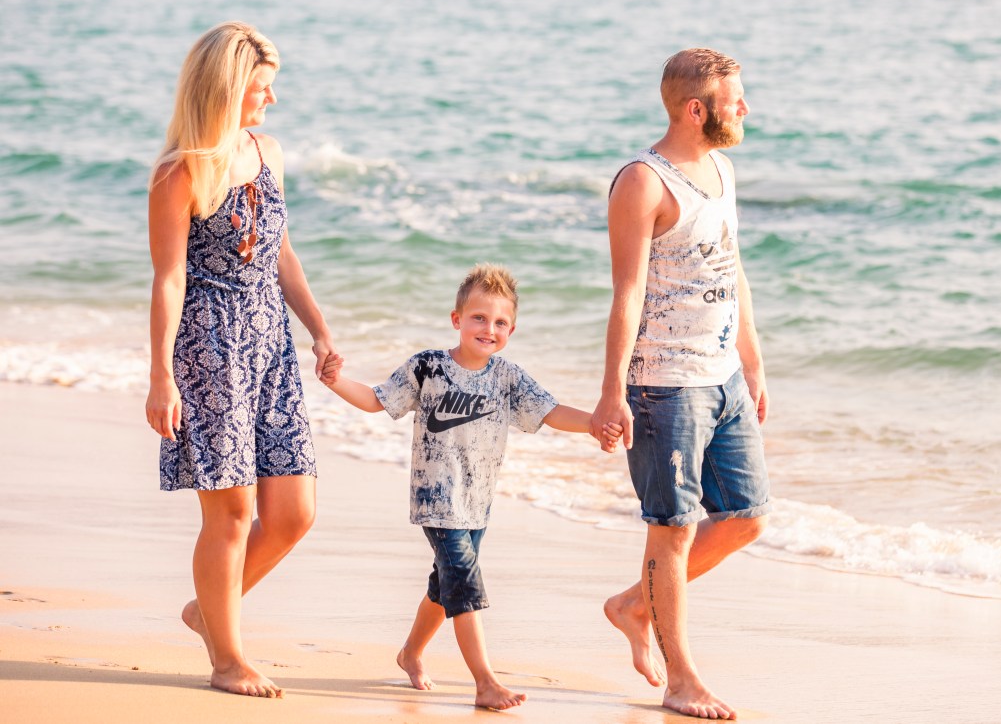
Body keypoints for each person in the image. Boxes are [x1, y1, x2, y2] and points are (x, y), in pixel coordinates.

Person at [318, 263, 621, 711]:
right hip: (436, 499)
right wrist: (335, 380)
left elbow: (551, 411)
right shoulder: (428, 367)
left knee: (444, 587)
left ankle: (410, 653)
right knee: (465, 584)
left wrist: (595, 424)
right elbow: (377, 400)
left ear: (511, 330)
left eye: (500, 322)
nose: (489, 328)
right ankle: (485, 681)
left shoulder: (508, 378)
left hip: (476, 502)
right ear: (457, 319)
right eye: (479, 318)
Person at [145, 22, 337, 698]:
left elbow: (280, 249)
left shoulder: (269, 151)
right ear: (227, 90)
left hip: (272, 345)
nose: (272, 100)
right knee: (228, 514)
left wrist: (317, 327)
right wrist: (161, 375)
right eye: (262, 88)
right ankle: (227, 659)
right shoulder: (179, 173)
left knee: (293, 512)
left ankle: (208, 613)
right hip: (210, 348)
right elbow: (169, 278)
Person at [589, 48, 772, 720]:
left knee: (747, 517)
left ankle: (635, 605)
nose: (746, 108)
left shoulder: (722, 169)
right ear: (697, 110)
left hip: (722, 378)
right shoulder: (643, 183)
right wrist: (612, 391)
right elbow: (627, 293)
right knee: (673, 531)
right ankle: (682, 679)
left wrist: (752, 363)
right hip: (666, 385)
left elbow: (734, 269)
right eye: (735, 99)